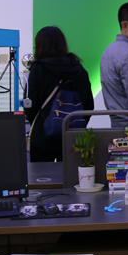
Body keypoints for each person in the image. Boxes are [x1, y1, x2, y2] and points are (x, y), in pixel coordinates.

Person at [26, 26, 94, 162]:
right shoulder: (78, 69)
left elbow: (30, 104)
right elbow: (88, 104)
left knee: (41, 174)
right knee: (71, 173)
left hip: (42, 137)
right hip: (72, 136)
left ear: (40, 46)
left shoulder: (38, 69)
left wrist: (39, 122)